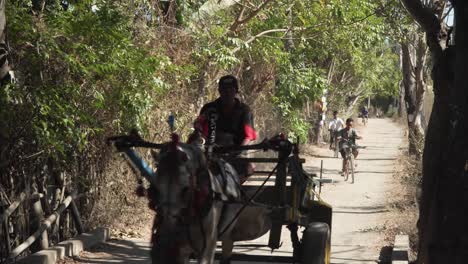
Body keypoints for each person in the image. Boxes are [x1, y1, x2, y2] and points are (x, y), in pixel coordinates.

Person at [192, 75, 257, 182]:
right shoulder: (209, 108)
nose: (227, 92)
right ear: (219, 91)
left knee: (250, 168)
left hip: (234, 153)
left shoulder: (244, 110)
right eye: (223, 89)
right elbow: (199, 124)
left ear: (236, 91)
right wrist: (199, 130)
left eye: (230, 89)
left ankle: (235, 189)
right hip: (210, 151)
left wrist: (239, 152)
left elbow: (248, 136)